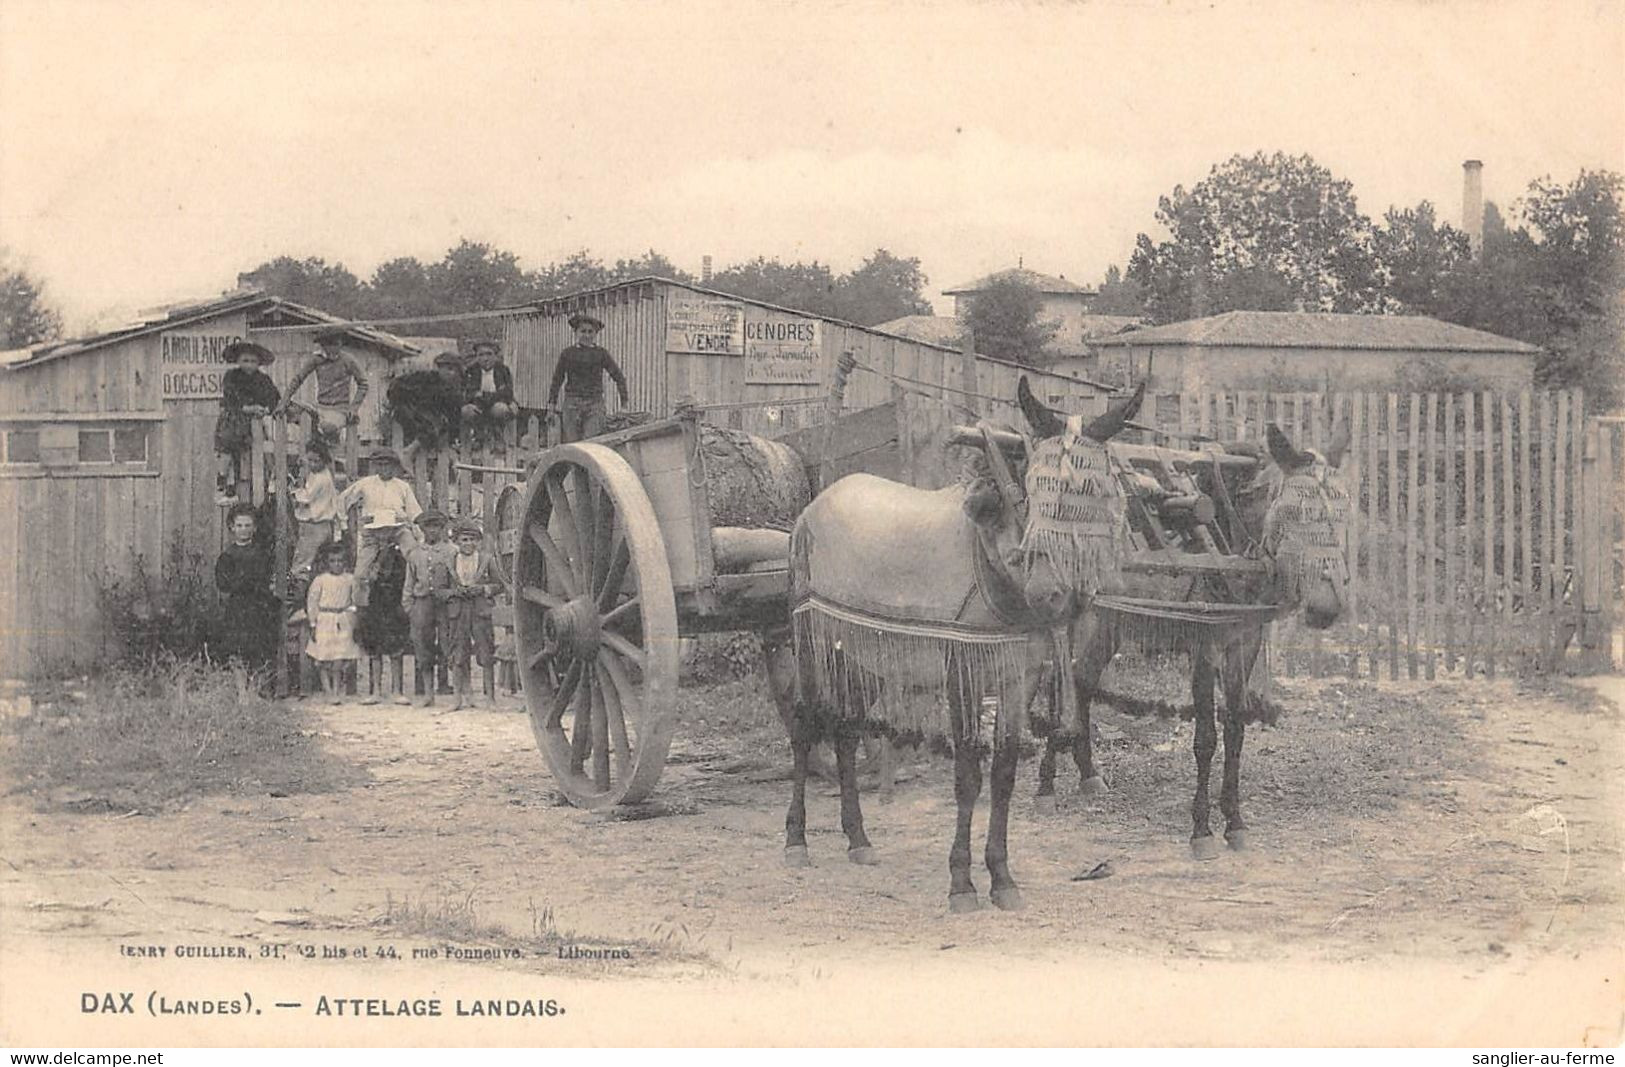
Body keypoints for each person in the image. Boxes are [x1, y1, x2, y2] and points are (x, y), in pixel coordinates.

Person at [338, 446, 422, 607]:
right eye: (381, 465)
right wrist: (344, 524)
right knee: (360, 573)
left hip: (398, 529)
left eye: (388, 465)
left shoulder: (402, 486)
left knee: (414, 557)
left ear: (395, 467)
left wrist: (420, 536)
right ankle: (360, 608)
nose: (384, 469)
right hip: (373, 531)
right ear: (375, 466)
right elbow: (343, 499)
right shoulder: (366, 484)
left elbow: (414, 512)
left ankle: (415, 598)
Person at [437, 518, 502, 710]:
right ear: (456, 541)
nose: (468, 544)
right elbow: (439, 591)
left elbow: (499, 585)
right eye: (464, 540)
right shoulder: (448, 562)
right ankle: (457, 698)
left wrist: (482, 590)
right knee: (458, 654)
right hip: (458, 613)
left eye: (473, 540)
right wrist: (454, 593)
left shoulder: (486, 560)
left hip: (480, 611)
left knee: (486, 653)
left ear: (478, 541)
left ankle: (490, 698)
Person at [213, 502, 279, 674]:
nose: (244, 529)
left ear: (255, 528)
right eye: (239, 525)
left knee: (258, 648)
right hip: (238, 607)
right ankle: (241, 690)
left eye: (248, 525)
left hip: (259, 606)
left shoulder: (262, 554)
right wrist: (243, 582)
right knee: (237, 649)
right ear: (232, 527)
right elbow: (223, 584)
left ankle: (256, 688)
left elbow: (268, 577)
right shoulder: (227, 556)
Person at [401, 508, 457, 707]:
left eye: (436, 527)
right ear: (422, 529)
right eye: (428, 527)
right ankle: (428, 694)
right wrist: (410, 608)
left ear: (442, 529)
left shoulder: (451, 551)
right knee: (423, 646)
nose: (432, 531)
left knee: (448, 643)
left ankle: (458, 693)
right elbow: (409, 584)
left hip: (444, 604)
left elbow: (456, 580)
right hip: (422, 604)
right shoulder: (415, 554)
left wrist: (452, 599)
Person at [214, 341, 280, 505]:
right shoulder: (232, 376)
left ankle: (272, 480)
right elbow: (230, 399)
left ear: (258, 363)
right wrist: (249, 408)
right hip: (235, 419)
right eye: (245, 360)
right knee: (228, 448)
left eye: (253, 361)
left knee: (264, 450)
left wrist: (265, 409)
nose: (249, 365)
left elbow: (274, 398)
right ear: (238, 361)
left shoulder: (263, 379)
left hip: (256, 423)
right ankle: (224, 484)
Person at [279, 328, 369, 447]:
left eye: (335, 344)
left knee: (328, 427)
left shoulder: (348, 360)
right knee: (289, 411)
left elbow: (363, 384)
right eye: (328, 345)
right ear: (323, 346)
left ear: (341, 343)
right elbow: (298, 378)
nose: (332, 348)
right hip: (320, 407)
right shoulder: (317, 359)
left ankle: (325, 440)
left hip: (340, 409)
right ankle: (316, 438)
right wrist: (284, 401)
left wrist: (354, 407)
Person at [546, 313, 628, 443]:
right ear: (576, 332)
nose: (587, 335)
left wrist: (624, 405)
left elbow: (618, 377)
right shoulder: (568, 354)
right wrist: (551, 406)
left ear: (595, 334)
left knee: (591, 444)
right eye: (583, 331)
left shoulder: (601, 354)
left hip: (594, 404)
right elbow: (557, 380)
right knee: (572, 445)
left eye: (591, 332)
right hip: (572, 404)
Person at [355, 542, 412, 706]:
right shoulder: (368, 555)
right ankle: (376, 691)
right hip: (375, 604)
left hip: (394, 605)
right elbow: (361, 580)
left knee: (396, 649)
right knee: (375, 649)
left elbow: (405, 580)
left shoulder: (401, 557)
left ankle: (397, 690)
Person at [306, 542, 361, 705]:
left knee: (339, 657)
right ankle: (328, 690)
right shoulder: (320, 580)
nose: (336, 564)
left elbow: (354, 600)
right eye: (332, 561)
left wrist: (351, 616)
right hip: (324, 619)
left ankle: (337, 690)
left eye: (340, 561)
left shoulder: (350, 579)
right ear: (326, 562)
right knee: (324, 657)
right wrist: (313, 623)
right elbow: (312, 602)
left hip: (342, 619)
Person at [391, 350, 465, 470]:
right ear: (439, 368)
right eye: (447, 369)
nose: (451, 373)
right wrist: (405, 401)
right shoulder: (425, 378)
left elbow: (454, 415)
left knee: (439, 427)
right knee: (430, 427)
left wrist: (452, 438)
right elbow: (396, 386)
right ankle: (408, 452)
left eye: (454, 370)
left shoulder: (454, 391)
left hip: (428, 415)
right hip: (409, 408)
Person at [290, 440, 345, 583]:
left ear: (325, 461)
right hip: (323, 523)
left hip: (315, 524)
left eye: (317, 461)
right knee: (319, 559)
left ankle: (299, 586)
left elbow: (306, 496)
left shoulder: (321, 478)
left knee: (304, 559)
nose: (313, 464)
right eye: (310, 460)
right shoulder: (320, 473)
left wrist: (293, 492)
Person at [460, 339, 516, 451]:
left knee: (501, 409)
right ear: (476, 357)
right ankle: (477, 437)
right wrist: (490, 395)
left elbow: (507, 393)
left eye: (489, 354)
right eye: (481, 355)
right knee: (467, 411)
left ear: (495, 355)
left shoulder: (503, 370)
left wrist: (484, 395)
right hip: (478, 406)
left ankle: (498, 436)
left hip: (495, 404)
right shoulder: (471, 371)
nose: (485, 358)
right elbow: (468, 393)